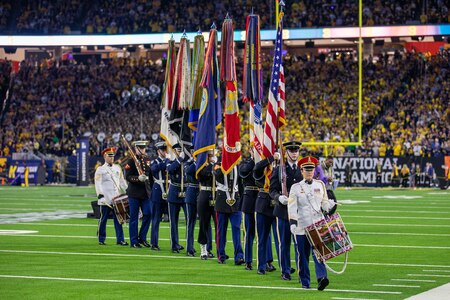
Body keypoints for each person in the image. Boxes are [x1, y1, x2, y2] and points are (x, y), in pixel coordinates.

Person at [288, 156, 336, 291]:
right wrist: (293, 222)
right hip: (302, 226)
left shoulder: (320, 185)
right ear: (301, 171)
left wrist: (329, 206)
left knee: (319, 254)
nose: (309, 172)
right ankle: (305, 281)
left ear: (315, 170)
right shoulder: (295, 187)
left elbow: (324, 202)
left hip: (317, 225)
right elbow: (291, 206)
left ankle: (322, 278)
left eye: (311, 169)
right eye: (306, 170)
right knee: (303, 256)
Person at [269, 141, 302, 281]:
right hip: (283, 211)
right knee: (284, 243)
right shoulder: (279, 169)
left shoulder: (302, 169)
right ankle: (285, 271)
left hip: (299, 213)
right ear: (286, 153)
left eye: (296, 151)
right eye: (291, 151)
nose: (294, 153)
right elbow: (272, 190)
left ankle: (302, 271)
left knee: (299, 244)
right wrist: (278, 197)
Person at [94, 147, 128, 246]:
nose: (112, 158)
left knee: (119, 219)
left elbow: (122, 182)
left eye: (113, 156)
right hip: (106, 199)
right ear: (105, 157)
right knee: (103, 219)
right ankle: (101, 238)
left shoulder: (118, 168)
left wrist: (128, 191)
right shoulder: (100, 169)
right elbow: (98, 183)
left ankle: (120, 239)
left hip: (116, 199)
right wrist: (100, 195)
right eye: (109, 156)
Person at [253, 151, 279, 275]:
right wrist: (270, 159)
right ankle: (261, 266)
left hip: (278, 205)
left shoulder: (281, 168)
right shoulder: (263, 169)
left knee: (280, 240)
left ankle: (284, 267)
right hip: (263, 205)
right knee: (262, 238)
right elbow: (256, 168)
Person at [125, 140, 153, 248]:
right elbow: (127, 176)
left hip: (145, 193)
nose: (143, 150)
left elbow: (150, 176)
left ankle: (142, 237)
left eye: (144, 148)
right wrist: (137, 178)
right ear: (136, 149)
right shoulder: (131, 161)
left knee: (148, 213)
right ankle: (134, 241)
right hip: (134, 193)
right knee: (134, 217)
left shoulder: (147, 160)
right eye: (140, 148)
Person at [214, 163, 244, 265]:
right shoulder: (218, 164)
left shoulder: (238, 165)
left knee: (237, 229)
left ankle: (239, 256)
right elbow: (217, 175)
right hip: (222, 201)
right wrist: (226, 165)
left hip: (236, 201)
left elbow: (240, 184)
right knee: (221, 231)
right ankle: (221, 255)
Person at [238, 148, 259, 270]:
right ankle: (248, 260)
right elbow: (244, 172)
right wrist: (254, 160)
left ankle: (266, 261)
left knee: (263, 234)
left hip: (262, 199)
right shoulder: (245, 162)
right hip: (249, 200)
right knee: (249, 232)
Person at [166, 143, 187, 253]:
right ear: (174, 151)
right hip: (174, 192)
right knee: (173, 221)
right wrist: (179, 160)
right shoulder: (170, 161)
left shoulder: (186, 161)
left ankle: (190, 244)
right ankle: (175, 245)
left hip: (185, 193)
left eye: (181, 150)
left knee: (189, 220)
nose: (179, 152)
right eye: (178, 150)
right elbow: (170, 170)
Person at [196, 150, 217, 260]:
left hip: (216, 194)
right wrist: (212, 165)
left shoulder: (216, 165)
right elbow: (202, 175)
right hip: (205, 193)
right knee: (203, 223)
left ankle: (219, 249)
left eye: (212, 154)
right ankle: (203, 249)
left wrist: (215, 165)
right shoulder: (201, 165)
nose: (211, 156)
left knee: (218, 223)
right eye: (209, 155)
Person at [149, 140, 169, 251]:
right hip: (158, 191)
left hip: (168, 189)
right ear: (158, 151)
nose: (164, 152)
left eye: (165, 149)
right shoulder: (154, 162)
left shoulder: (169, 161)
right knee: (156, 219)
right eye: (162, 150)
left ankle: (174, 243)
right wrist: (166, 162)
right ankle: (154, 243)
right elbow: (154, 169)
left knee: (171, 218)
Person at [184, 148, 199, 256]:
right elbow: (188, 171)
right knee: (191, 222)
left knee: (205, 222)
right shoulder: (189, 163)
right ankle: (189, 248)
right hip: (192, 193)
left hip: (203, 193)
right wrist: (195, 161)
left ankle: (208, 248)